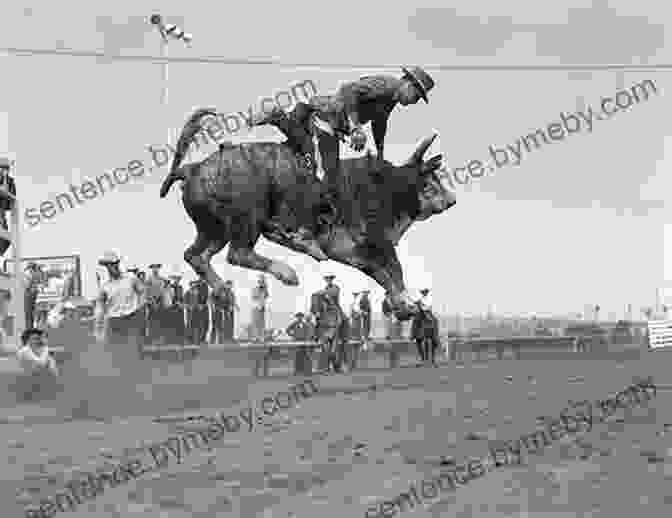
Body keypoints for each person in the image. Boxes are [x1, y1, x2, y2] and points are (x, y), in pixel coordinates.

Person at [251, 66, 435, 245]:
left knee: (323, 170)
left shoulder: (390, 98)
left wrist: (380, 154)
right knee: (324, 175)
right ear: (408, 84)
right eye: (417, 96)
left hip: (333, 127)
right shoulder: (386, 85)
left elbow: (380, 124)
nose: (414, 101)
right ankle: (280, 119)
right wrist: (355, 127)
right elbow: (348, 90)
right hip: (325, 120)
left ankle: (283, 121)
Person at [95, 251, 146, 358]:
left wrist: (140, 307)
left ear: (118, 264)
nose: (111, 267)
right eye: (108, 265)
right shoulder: (104, 285)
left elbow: (142, 291)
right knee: (115, 353)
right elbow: (100, 306)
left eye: (114, 264)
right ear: (106, 267)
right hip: (114, 321)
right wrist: (98, 328)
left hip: (131, 318)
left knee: (134, 351)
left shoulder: (130, 278)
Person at [15, 328, 60, 400]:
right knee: (49, 360)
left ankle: (56, 386)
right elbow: (41, 363)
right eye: (34, 339)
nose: (37, 341)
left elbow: (44, 363)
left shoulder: (34, 349)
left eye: (38, 338)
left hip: (35, 378)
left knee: (51, 360)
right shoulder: (25, 350)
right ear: (27, 340)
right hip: (28, 380)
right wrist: (46, 349)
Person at [145, 263, 168, 345]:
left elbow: (164, 290)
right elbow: (147, 292)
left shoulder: (162, 279)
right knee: (152, 321)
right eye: (154, 268)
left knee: (161, 321)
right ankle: (152, 339)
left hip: (160, 301)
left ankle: (160, 339)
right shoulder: (149, 279)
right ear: (151, 269)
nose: (155, 269)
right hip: (152, 302)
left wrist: (163, 301)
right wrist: (151, 301)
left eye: (157, 268)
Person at [0, 157, 16, 257]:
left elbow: (12, 201)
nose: (5, 170)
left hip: (1, 213)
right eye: (3, 168)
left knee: (7, 239)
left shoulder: (10, 181)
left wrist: (6, 179)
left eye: (7, 168)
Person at [185, 279, 209, 345]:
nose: (193, 286)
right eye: (192, 285)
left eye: (194, 285)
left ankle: (197, 339)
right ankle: (189, 339)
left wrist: (199, 306)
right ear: (190, 286)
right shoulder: (187, 293)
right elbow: (185, 302)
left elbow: (200, 301)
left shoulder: (198, 293)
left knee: (198, 325)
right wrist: (189, 306)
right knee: (190, 325)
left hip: (197, 312)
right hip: (190, 312)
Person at [250, 274, 269, 342]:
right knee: (255, 322)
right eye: (260, 282)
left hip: (262, 307)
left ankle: (261, 337)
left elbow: (266, 296)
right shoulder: (255, 289)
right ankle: (255, 337)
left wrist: (265, 288)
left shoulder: (264, 289)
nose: (262, 283)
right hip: (256, 307)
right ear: (258, 282)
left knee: (262, 322)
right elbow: (254, 297)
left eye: (263, 282)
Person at [24, 262, 41, 330]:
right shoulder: (37, 273)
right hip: (33, 293)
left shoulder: (29, 274)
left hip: (29, 293)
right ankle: (30, 327)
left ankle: (29, 327)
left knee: (28, 312)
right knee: (31, 312)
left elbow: (27, 285)